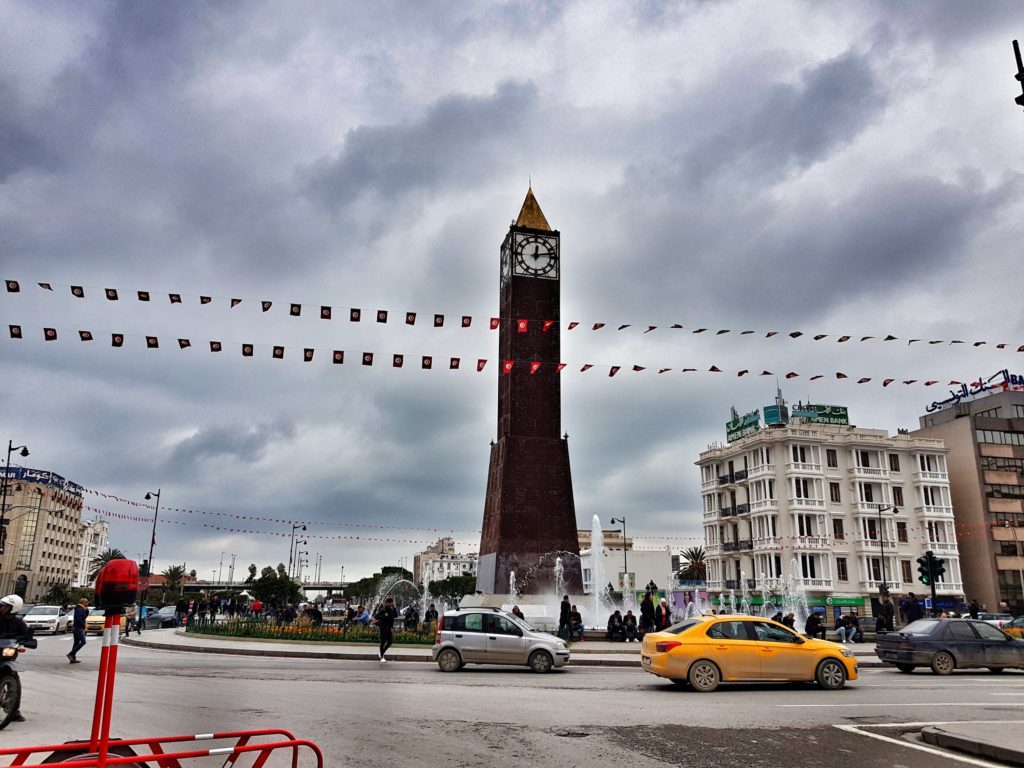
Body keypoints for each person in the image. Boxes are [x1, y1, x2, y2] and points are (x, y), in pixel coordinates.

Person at [0, 595, 32, 723]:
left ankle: (13, 710)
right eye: (3, 605)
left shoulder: (18, 622)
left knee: (15, 679)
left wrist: (29, 640)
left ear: (13, 609)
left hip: (6, 655)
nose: (3, 608)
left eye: (6, 606)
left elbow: (25, 634)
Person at [373, 597, 399, 662]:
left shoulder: (393, 609)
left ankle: (382, 652)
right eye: (389, 603)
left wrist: (394, 609)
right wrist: (384, 616)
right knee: (383, 641)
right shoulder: (383, 609)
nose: (390, 604)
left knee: (390, 642)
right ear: (386, 603)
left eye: (391, 602)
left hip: (389, 627)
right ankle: (382, 657)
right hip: (383, 627)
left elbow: (396, 616)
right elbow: (376, 616)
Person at [69, 597, 89, 664]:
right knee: (83, 641)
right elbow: (79, 619)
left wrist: (86, 610)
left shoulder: (81, 609)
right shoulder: (80, 609)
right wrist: (83, 625)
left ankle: (72, 658)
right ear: (83, 602)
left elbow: (85, 616)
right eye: (86, 602)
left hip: (76, 627)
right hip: (78, 627)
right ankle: (71, 654)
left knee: (76, 642)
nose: (87, 603)